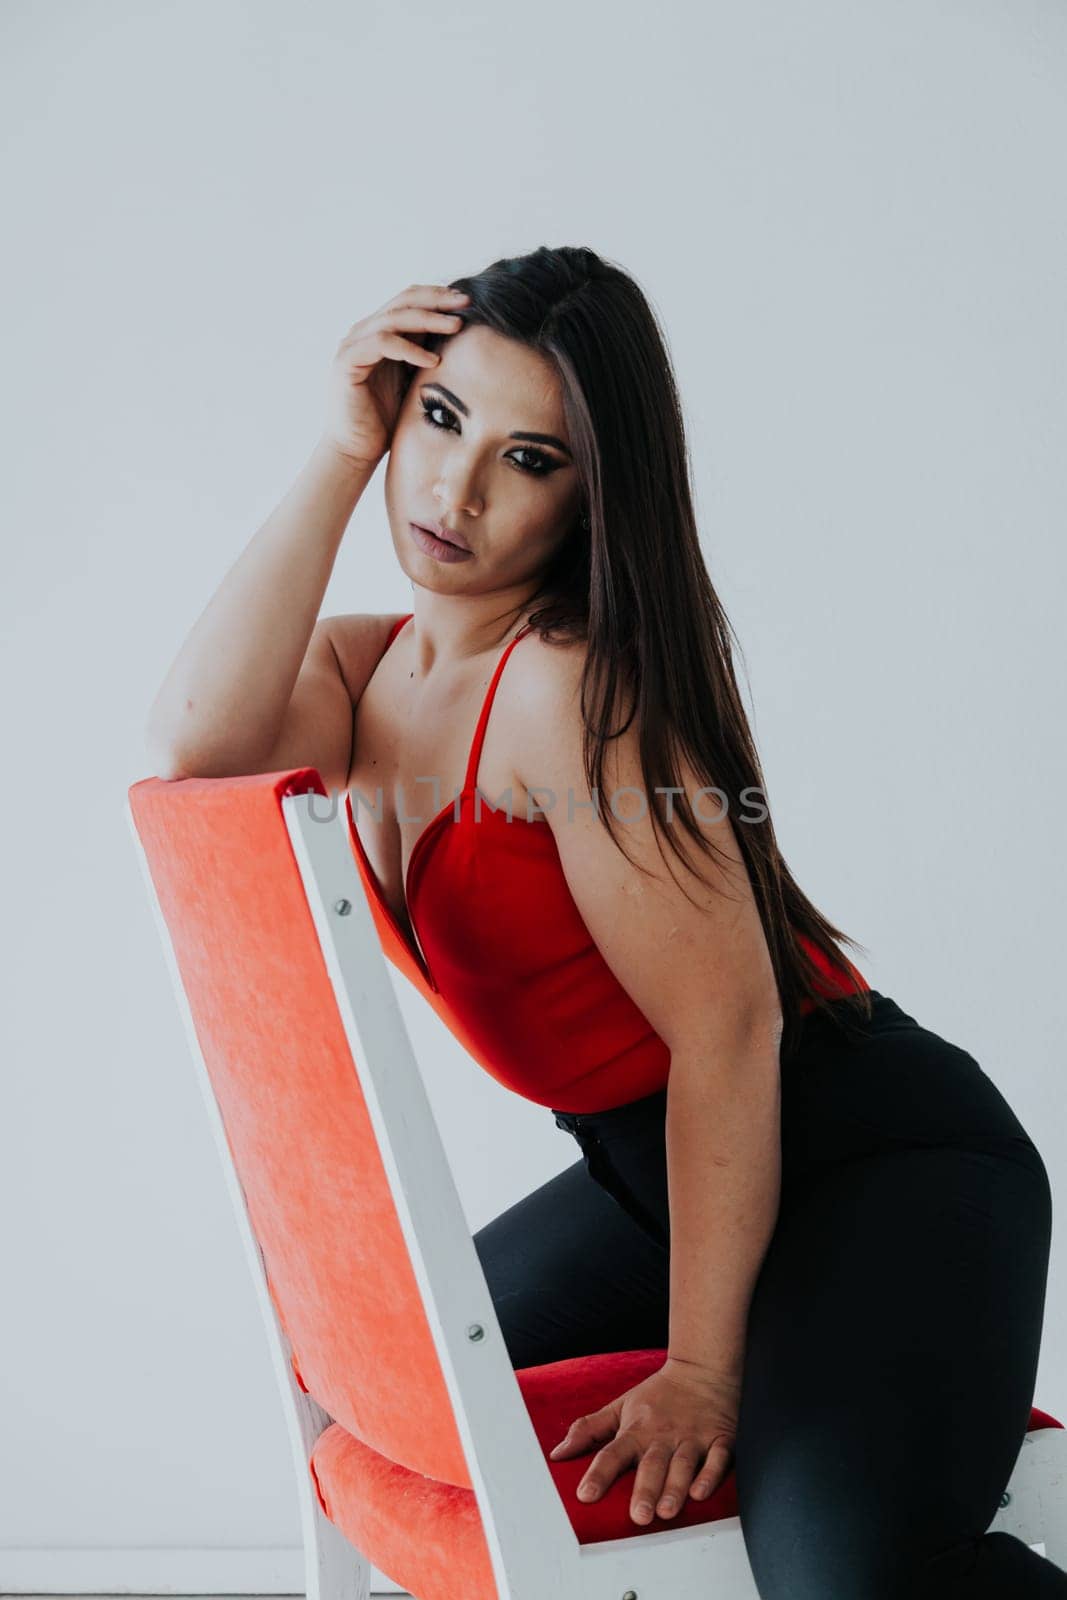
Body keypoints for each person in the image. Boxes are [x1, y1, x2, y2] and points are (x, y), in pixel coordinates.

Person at [144, 246, 1062, 1597]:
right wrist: (340, 454)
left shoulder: (565, 692)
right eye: (440, 418)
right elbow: (189, 747)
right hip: (654, 1177)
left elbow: (733, 1030)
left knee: (843, 1578)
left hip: (878, 1166)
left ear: (588, 499)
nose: (456, 490)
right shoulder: (362, 671)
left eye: (529, 459)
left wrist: (703, 1368)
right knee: (405, 1420)